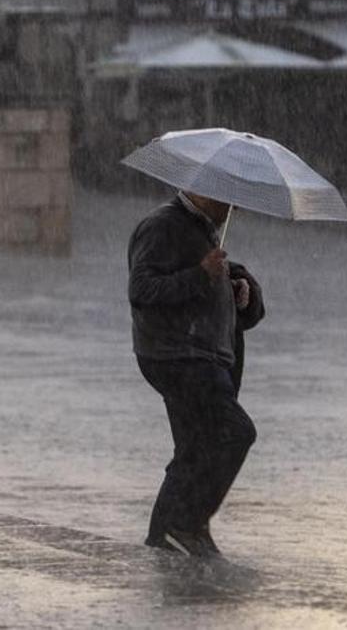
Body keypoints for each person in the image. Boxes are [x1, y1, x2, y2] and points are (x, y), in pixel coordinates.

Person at [128, 190, 265, 557]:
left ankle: (165, 537)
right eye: (227, 200)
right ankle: (185, 524)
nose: (232, 208)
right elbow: (141, 291)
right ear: (203, 193)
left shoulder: (203, 230)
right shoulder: (162, 227)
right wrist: (200, 275)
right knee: (235, 433)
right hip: (180, 356)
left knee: (193, 449)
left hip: (206, 358)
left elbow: (234, 296)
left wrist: (244, 293)